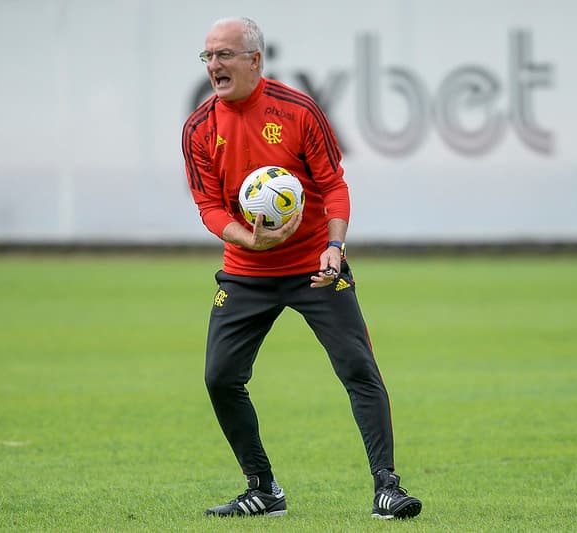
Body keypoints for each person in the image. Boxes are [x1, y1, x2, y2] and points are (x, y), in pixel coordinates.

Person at [181, 16, 422, 520]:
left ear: (255, 60)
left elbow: (334, 185)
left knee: (359, 370)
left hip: (316, 264)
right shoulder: (199, 128)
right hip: (246, 271)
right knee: (220, 377)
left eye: (224, 54)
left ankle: (387, 487)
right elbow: (208, 207)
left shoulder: (297, 111)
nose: (214, 66)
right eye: (208, 56)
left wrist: (335, 247)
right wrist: (251, 238)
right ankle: (263, 489)